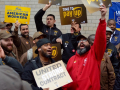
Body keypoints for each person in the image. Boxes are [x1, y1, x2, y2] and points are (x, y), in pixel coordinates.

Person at [62, 5, 107, 90]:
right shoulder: (71, 59)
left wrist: (102, 19)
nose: (81, 42)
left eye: (84, 40)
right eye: (79, 41)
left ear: (90, 45)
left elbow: (100, 39)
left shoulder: (94, 55)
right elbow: (66, 81)